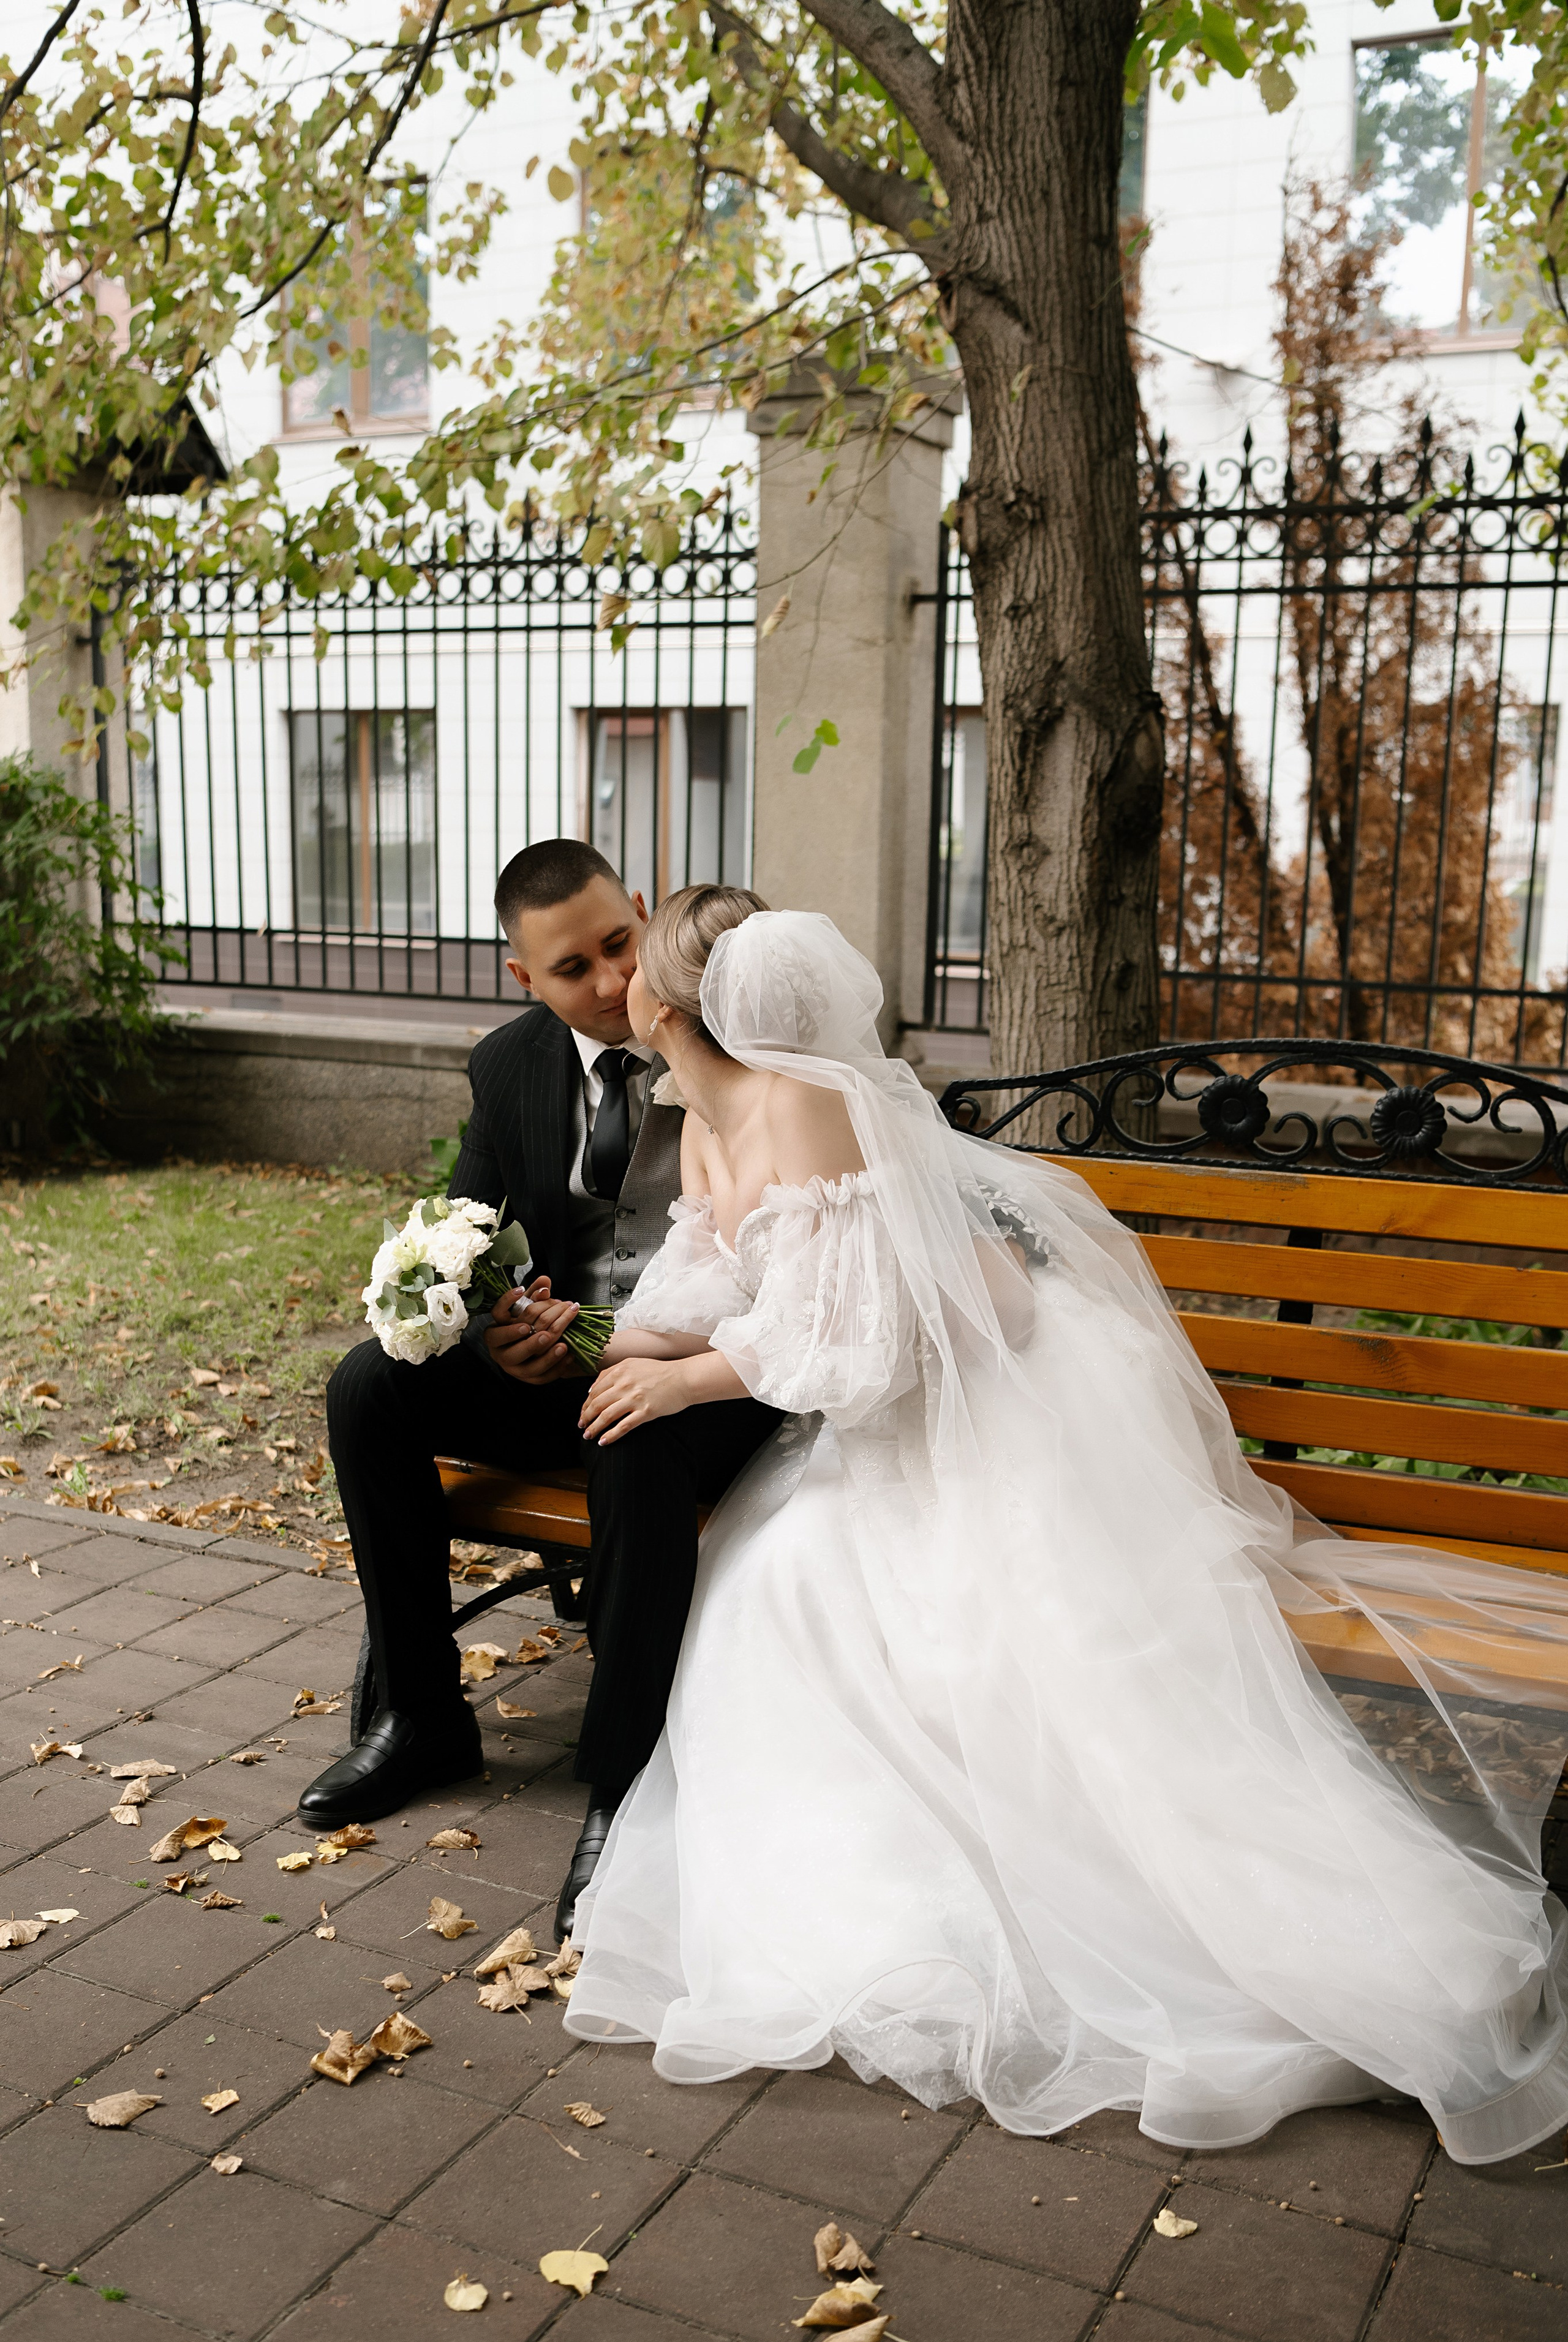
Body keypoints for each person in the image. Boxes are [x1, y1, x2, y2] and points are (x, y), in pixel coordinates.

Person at [564, 889, 1568, 2166]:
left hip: (956, 1406)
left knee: (845, 1596)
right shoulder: (707, 1118)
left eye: (634, 972)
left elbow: (866, 1339)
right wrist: (609, 1337)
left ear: (667, 1004)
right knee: (771, 1580)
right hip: (865, 1408)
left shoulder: (811, 1100)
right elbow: (716, 1280)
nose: (624, 990)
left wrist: (687, 1380)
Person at [298, 846, 781, 1943]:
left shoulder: (743, 1038)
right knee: (369, 1386)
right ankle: (422, 1716)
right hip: (568, 1361)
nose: (611, 982)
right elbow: (465, 1239)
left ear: (647, 916)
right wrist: (497, 1334)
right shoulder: (509, 1065)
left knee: (635, 1428)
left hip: (716, 1371)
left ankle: (620, 1785)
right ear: (526, 979)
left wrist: (650, 1366)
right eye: (575, 968)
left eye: (621, 944)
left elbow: (804, 1270)